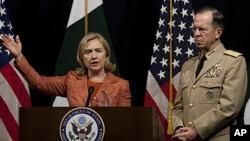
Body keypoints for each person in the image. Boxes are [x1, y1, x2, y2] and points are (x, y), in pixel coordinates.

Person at [171, 6, 247, 141]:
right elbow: (178, 106)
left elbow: (229, 107)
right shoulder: (188, 65)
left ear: (218, 33)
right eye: (194, 29)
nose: (196, 34)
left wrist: (196, 129)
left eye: (202, 29)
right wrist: (179, 128)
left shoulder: (233, 62)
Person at [1, 32, 131, 107]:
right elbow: (39, 83)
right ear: (82, 57)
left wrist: (111, 114)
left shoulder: (121, 85)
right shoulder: (71, 80)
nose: (94, 56)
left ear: (106, 55)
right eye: (88, 52)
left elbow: (126, 122)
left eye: (98, 51)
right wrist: (19, 56)